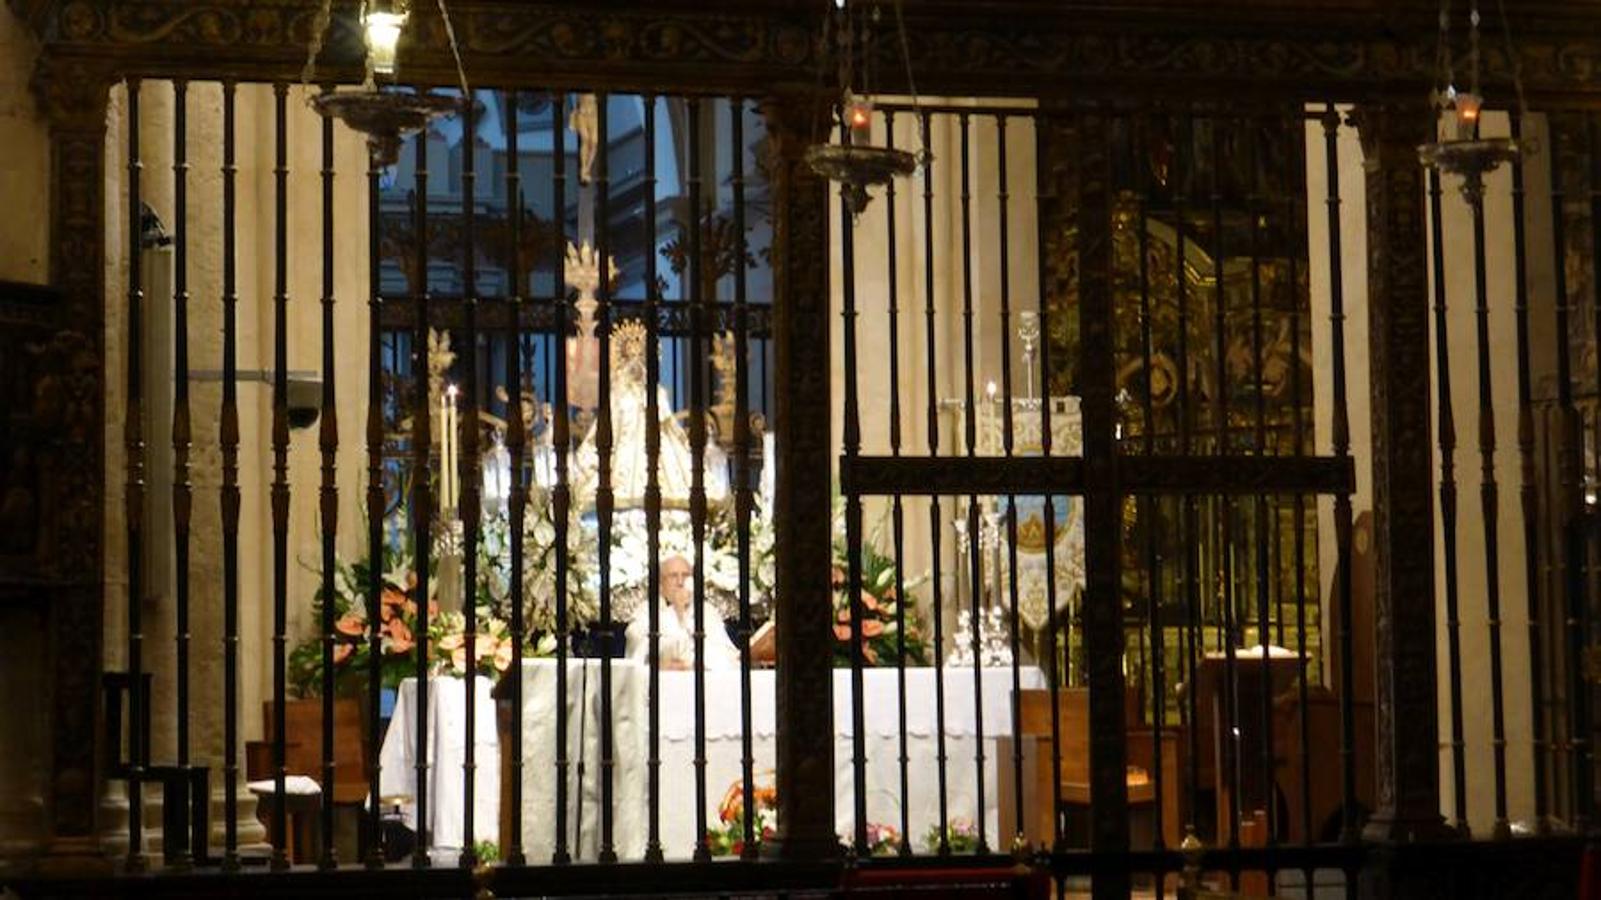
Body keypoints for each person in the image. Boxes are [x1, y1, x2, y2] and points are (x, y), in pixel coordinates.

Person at [625, 555, 740, 670]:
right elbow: (639, 648)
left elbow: (725, 654)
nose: (680, 582)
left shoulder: (706, 611)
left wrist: (693, 663)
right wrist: (677, 612)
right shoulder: (646, 611)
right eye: (673, 576)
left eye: (685, 575)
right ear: (660, 584)